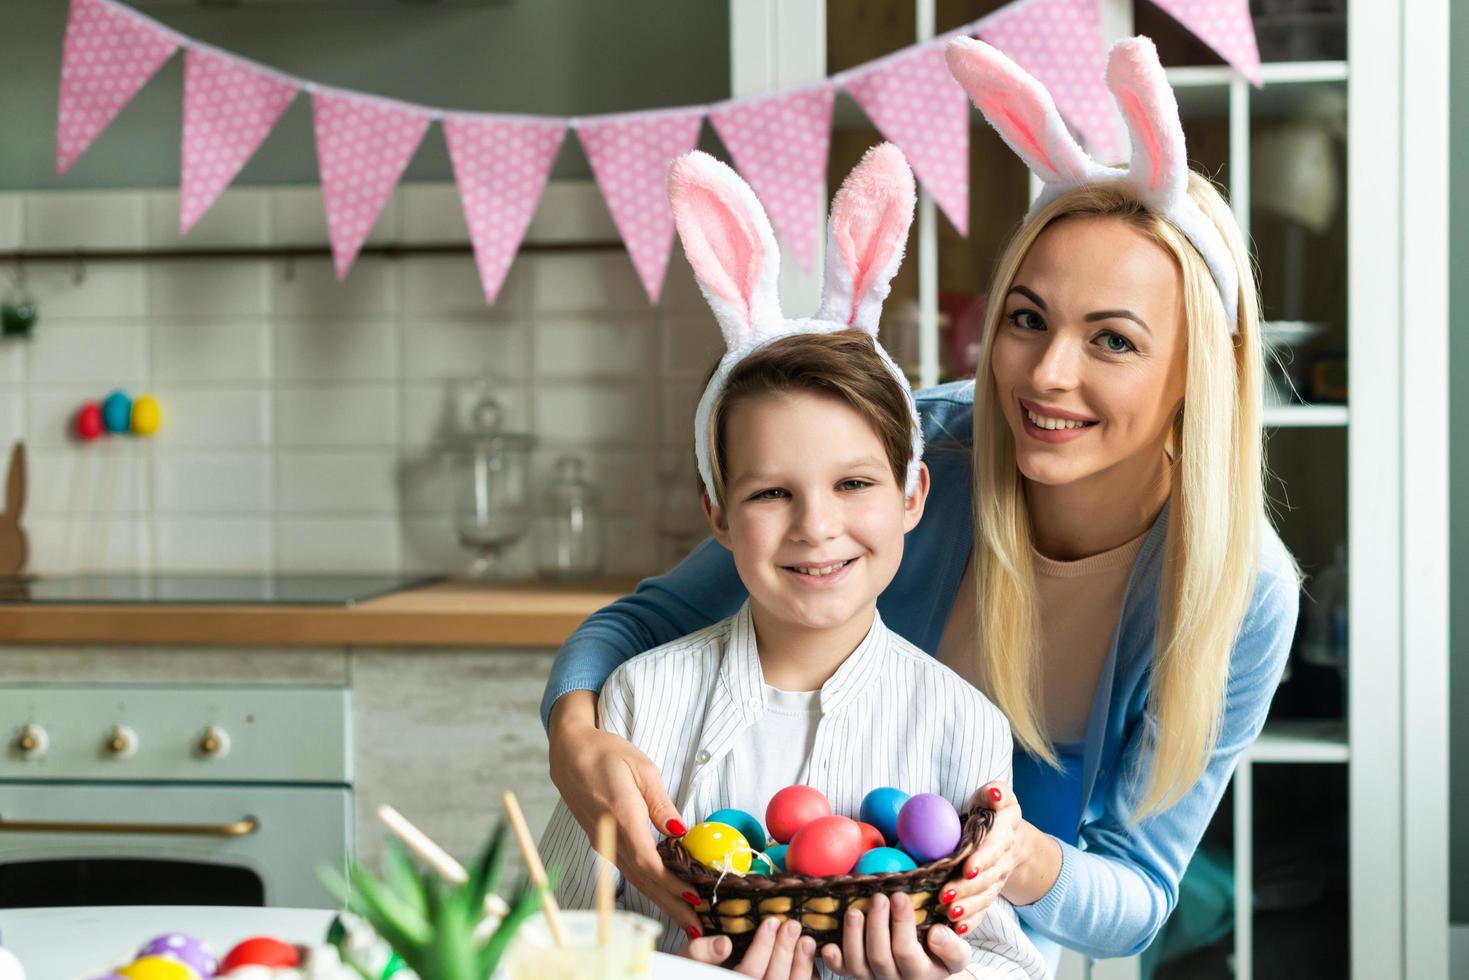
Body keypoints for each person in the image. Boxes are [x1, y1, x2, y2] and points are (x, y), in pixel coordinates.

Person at [540, 36, 1300, 973]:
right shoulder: (914, 450)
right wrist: (576, 736)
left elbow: (1137, 893)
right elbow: (645, 623)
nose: (1046, 375)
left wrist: (1007, 862)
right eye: (1026, 319)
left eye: (1112, 340)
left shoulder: (1236, 585)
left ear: (1197, 372)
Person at [539, 143, 1049, 980]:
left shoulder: (962, 727)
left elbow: (1011, 966)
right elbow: (548, 946)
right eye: (772, 493)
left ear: (912, 495)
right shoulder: (639, 705)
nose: (817, 527)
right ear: (718, 515)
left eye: (853, 483)